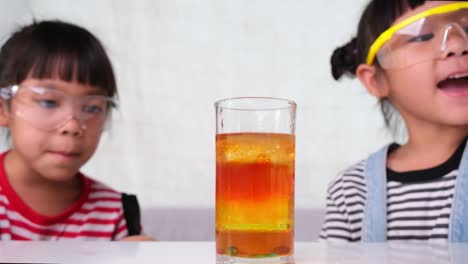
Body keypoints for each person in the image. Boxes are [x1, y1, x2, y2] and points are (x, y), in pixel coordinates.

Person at [320, 1, 468, 242]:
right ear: (376, 81)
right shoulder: (352, 192)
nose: (458, 45)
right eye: (423, 37)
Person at [0, 20, 151, 241]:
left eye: (92, 107)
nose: (72, 126)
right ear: (3, 109)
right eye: (49, 102)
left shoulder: (115, 214)